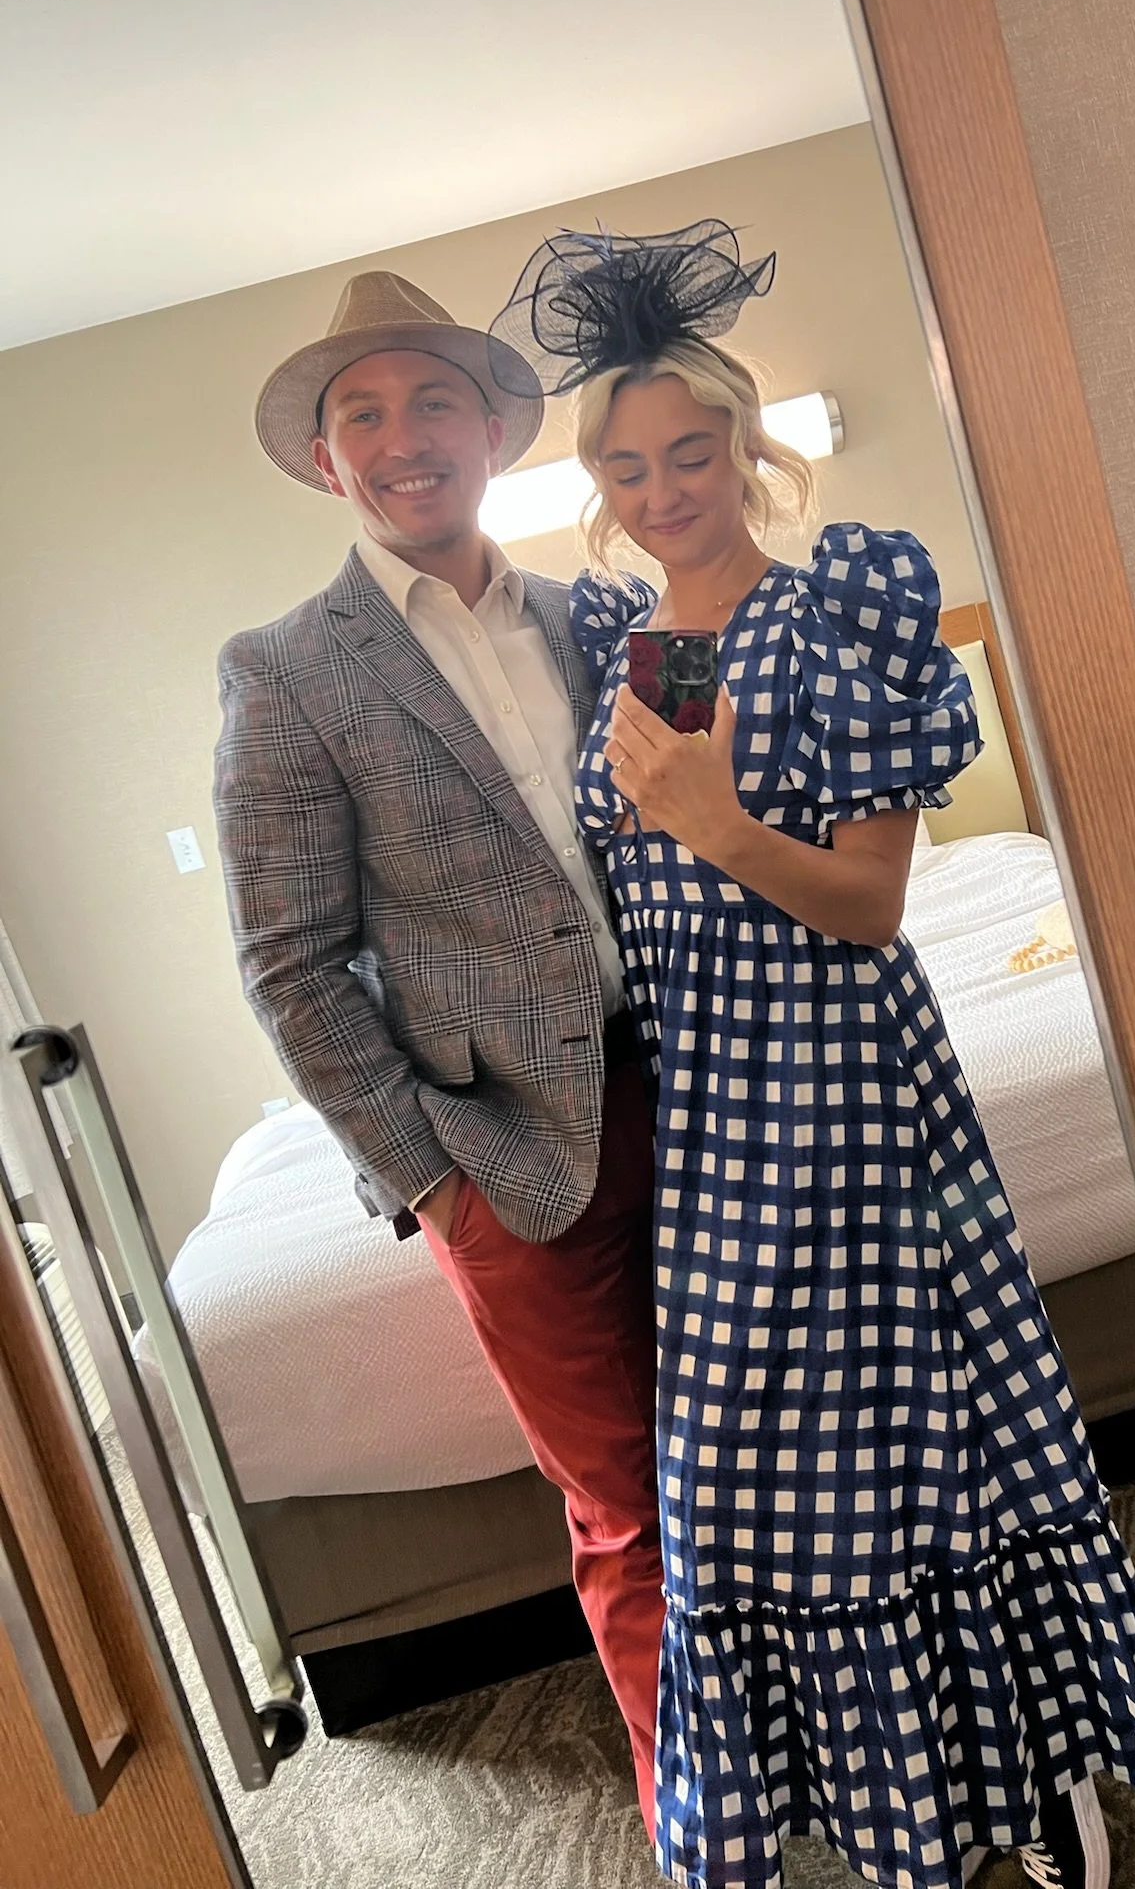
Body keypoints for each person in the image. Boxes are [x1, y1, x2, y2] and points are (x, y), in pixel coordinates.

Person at [490, 223, 1135, 1889]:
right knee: (747, 1473)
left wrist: (717, 825)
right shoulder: (605, 653)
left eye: (694, 451)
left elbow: (874, 908)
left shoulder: (851, 610)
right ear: (594, 485)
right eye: (628, 464)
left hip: (853, 1086)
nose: (667, 489)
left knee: (926, 1440)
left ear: (750, 449)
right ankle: (896, 1813)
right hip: (712, 1115)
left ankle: (1038, 1784)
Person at [212, 269, 664, 1828]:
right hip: (504, 1156)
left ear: (490, 431)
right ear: (332, 462)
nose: (404, 437)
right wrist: (424, 1180)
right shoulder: (286, 671)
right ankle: (709, 1824)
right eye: (364, 413)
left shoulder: (599, 615)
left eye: (433, 401)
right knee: (623, 1509)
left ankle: (851, 1753)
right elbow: (290, 964)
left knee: (773, 1459)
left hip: (710, 1099)